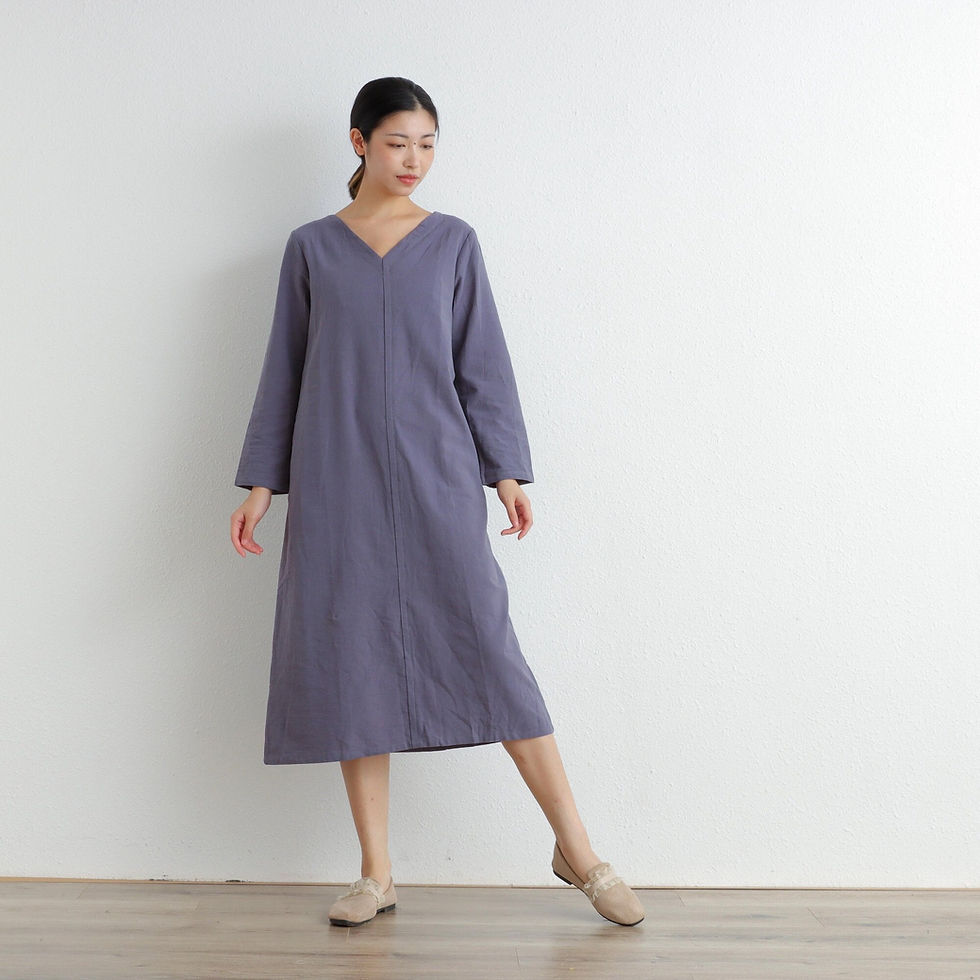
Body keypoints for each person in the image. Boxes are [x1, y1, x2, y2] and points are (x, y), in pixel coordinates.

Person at [229, 77, 644, 928]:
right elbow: (286, 369)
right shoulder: (311, 248)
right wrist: (261, 483)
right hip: (337, 478)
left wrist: (506, 471)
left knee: (490, 652)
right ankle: (375, 874)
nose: (413, 159)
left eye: (426, 144)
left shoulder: (453, 242)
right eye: (396, 143)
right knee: (351, 658)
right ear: (359, 143)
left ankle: (579, 851)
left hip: (437, 475)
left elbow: (481, 363)